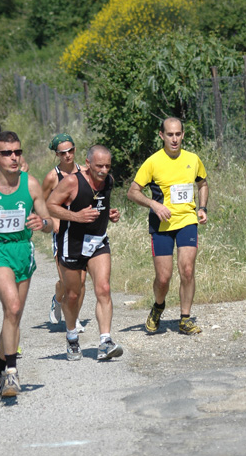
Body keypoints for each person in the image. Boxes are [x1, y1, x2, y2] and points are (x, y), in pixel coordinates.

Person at [0, 131, 53, 397]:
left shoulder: (31, 185)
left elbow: (50, 223)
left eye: (17, 152)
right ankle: (11, 375)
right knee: (13, 305)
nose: (14, 157)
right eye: (7, 153)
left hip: (23, 251)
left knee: (14, 315)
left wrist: (42, 223)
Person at [127, 117, 209, 335]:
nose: (174, 139)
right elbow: (132, 191)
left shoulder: (193, 159)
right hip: (161, 225)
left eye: (178, 134)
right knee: (163, 278)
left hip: (187, 222)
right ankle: (158, 306)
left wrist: (203, 208)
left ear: (183, 135)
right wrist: (153, 204)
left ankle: (185, 318)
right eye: (170, 134)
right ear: (162, 135)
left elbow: (202, 183)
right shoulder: (153, 162)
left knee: (188, 270)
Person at [47, 144, 123, 362]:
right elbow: (50, 205)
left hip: (98, 242)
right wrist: (76, 217)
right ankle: (71, 338)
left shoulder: (108, 180)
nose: (103, 170)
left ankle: (105, 341)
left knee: (104, 288)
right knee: (73, 294)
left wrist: (109, 214)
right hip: (73, 243)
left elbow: (99, 205)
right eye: (99, 165)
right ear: (88, 163)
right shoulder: (72, 181)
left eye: (107, 166)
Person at [42, 133, 85, 332]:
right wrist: (53, 219)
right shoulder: (53, 177)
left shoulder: (85, 172)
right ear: (57, 155)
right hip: (61, 233)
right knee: (66, 281)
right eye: (63, 153)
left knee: (81, 280)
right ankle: (57, 299)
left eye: (71, 151)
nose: (68, 155)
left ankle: (74, 318)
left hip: (82, 232)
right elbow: (41, 203)